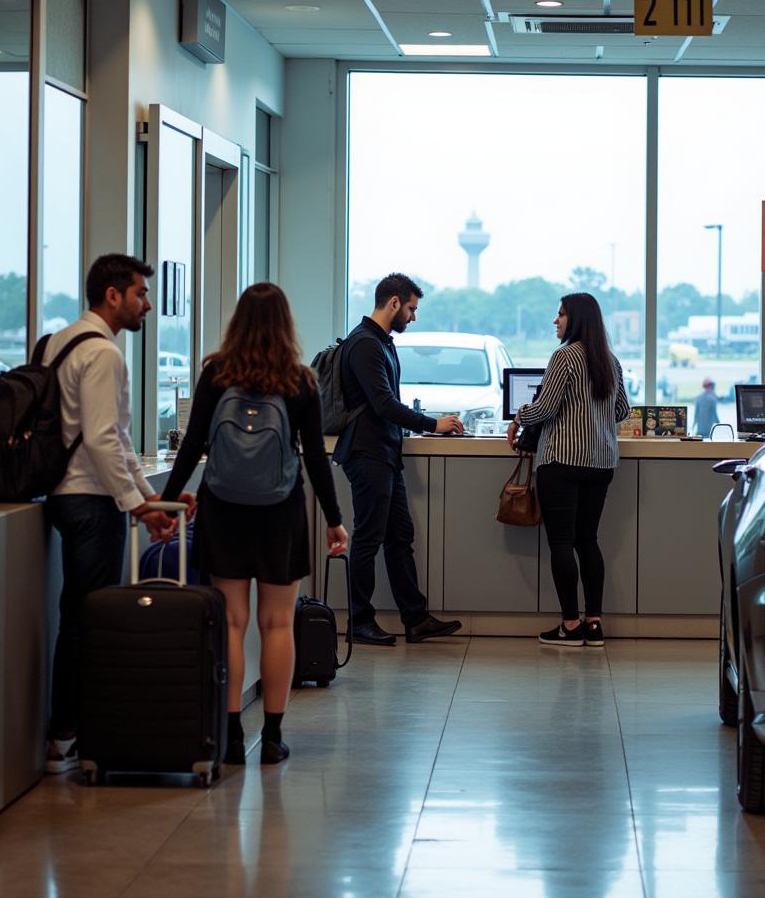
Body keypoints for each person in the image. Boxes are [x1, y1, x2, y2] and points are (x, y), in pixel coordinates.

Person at [161, 282, 348, 765]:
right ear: (286, 325)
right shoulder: (300, 381)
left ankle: (227, 736)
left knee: (231, 622)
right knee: (277, 623)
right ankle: (271, 737)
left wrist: (165, 503)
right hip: (280, 512)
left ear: (237, 322)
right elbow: (315, 460)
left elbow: (192, 445)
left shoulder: (217, 374)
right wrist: (334, 519)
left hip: (223, 507)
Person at [44, 254, 186, 773]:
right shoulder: (103, 355)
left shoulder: (56, 343)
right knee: (85, 619)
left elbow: (114, 439)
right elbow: (105, 441)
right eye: (140, 294)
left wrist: (145, 500)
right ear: (112, 295)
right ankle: (67, 737)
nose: (147, 304)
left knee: (77, 615)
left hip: (62, 493)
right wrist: (140, 508)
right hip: (88, 499)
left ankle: (71, 730)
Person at [333, 273, 463, 646]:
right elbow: (384, 404)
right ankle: (359, 621)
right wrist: (432, 424)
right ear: (393, 303)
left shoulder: (381, 343)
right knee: (369, 538)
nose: (413, 316)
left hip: (385, 453)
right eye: (411, 308)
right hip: (368, 454)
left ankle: (415, 618)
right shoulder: (364, 345)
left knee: (399, 538)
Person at [507, 292, 630, 647]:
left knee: (561, 541)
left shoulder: (564, 357)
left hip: (562, 461)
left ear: (574, 319)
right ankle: (594, 625)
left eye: (560, 314)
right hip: (601, 463)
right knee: (587, 540)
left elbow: (544, 408)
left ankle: (570, 626)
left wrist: (518, 418)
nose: (555, 321)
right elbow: (621, 411)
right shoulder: (610, 360)